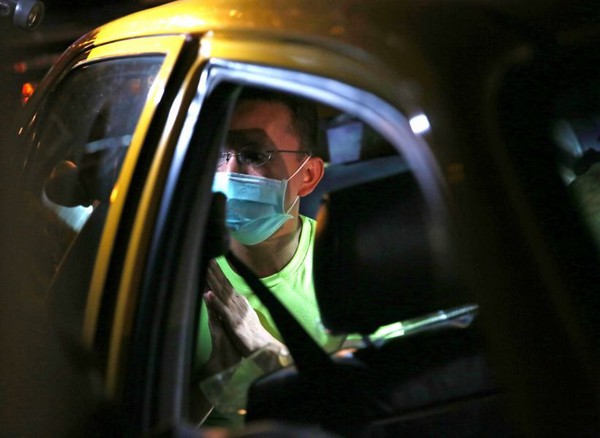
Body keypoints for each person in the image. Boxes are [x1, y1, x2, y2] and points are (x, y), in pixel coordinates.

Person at [193, 88, 343, 425]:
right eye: (219, 155)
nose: (229, 172)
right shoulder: (182, 273)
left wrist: (271, 355)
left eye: (255, 155)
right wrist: (215, 379)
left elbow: (378, 410)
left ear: (308, 176)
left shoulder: (349, 264)